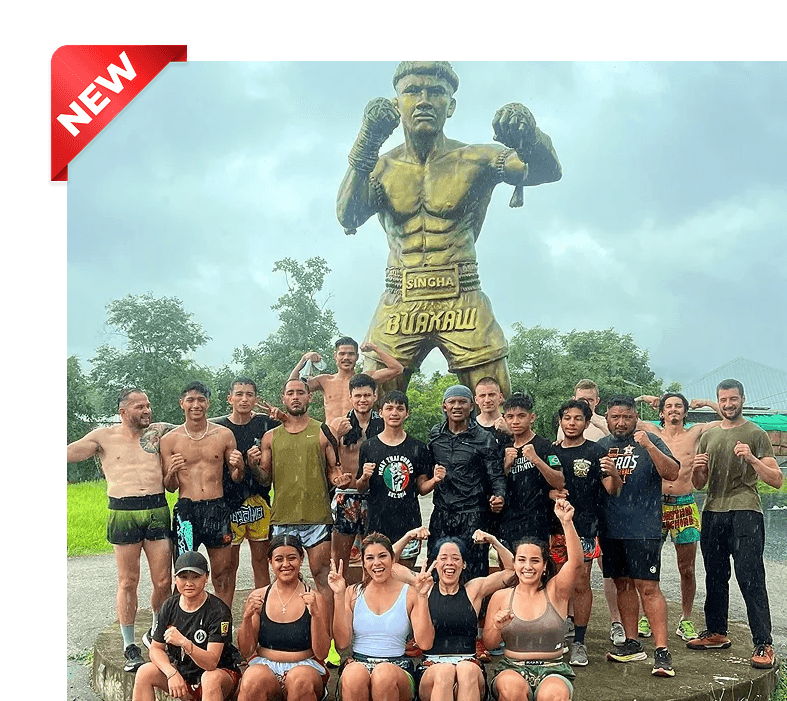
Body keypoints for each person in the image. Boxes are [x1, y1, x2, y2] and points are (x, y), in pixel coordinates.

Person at [338, 61, 562, 396]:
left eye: (436, 92)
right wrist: (367, 142)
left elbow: (545, 171)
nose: (424, 100)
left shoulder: (478, 158)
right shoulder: (380, 167)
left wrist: (530, 136)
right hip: (401, 296)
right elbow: (348, 215)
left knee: (496, 402)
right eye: (413, 91)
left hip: (462, 294)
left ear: (451, 105)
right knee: (368, 400)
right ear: (398, 102)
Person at [67, 388, 174, 672]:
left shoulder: (159, 433)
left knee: (164, 580)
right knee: (128, 581)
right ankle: (129, 646)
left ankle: (156, 633)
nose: (147, 410)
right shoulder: (103, 436)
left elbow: (199, 426)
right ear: (123, 411)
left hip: (156, 508)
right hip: (122, 511)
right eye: (140, 406)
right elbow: (69, 453)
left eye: (148, 405)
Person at [688, 379, 782, 670]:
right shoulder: (709, 435)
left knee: (750, 577)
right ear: (719, 401)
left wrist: (752, 458)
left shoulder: (756, 433)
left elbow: (776, 480)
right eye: (723, 399)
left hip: (746, 511)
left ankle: (764, 643)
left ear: (742, 399)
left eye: (733, 399)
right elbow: (699, 484)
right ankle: (716, 632)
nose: (728, 404)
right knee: (714, 577)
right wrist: (697, 469)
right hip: (713, 510)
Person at [256, 378, 352, 627]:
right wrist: (251, 462)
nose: (296, 397)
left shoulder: (323, 431)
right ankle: (288, 632)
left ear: (310, 397)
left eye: (301, 392)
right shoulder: (270, 437)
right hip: (283, 518)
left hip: (316, 518)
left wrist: (339, 479)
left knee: (322, 577)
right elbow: (264, 479)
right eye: (290, 393)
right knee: (286, 578)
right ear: (284, 398)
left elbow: (333, 469)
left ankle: (328, 637)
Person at [596, 396, 680, 677]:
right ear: (606, 417)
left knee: (648, 586)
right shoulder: (601, 447)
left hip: (643, 527)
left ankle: (661, 651)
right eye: (615, 417)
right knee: (622, 585)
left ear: (636, 417)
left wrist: (648, 445)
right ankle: (632, 643)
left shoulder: (650, 440)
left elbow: (672, 473)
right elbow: (609, 489)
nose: (621, 422)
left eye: (627, 417)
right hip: (611, 528)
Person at [631, 392, 721, 642]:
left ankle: (686, 619)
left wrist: (708, 403)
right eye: (668, 406)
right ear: (661, 412)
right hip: (654, 505)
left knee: (687, 568)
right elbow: (613, 417)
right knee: (648, 564)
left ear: (684, 412)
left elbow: (728, 420)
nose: (673, 410)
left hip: (684, 504)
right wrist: (640, 399)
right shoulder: (650, 431)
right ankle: (646, 616)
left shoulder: (694, 433)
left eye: (678, 406)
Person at [483, 500, 581, 701]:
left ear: (545, 566)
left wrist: (567, 522)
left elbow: (576, 563)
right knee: (511, 690)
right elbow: (489, 643)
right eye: (522, 560)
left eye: (535, 561)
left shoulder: (556, 591)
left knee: (555, 695)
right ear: (514, 563)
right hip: (512, 667)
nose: (528, 566)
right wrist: (497, 626)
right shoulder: (501, 596)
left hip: (553, 669)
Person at [548, 400, 622, 667]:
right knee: (557, 582)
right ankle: (556, 637)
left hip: (586, 528)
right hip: (555, 528)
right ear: (560, 421)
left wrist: (615, 474)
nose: (571, 423)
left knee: (581, 583)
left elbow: (612, 490)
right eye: (566, 417)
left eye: (578, 418)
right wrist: (549, 493)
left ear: (587, 423)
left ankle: (580, 642)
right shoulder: (551, 451)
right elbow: (541, 486)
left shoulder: (596, 451)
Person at [160, 381, 244, 608]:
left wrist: (240, 466)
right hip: (186, 511)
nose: (195, 405)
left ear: (208, 403)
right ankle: (187, 620)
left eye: (201, 400)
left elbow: (236, 478)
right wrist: (171, 472)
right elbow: (170, 486)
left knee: (222, 574)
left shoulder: (224, 435)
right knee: (185, 572)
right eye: (190, 400)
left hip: (217, 508)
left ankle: (222, 626)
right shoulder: (169, 440)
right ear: (181, 404)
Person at [329, 533, 436, 701]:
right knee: (354, 674)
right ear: (363, 563)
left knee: (383, 674)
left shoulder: (410, 593)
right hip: (359, 662)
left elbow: (425, 643)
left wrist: (422, 598)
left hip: (397, 667)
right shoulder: (352, 592)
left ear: (393, 559)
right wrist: (338, 596)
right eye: (370, 558)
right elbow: (342, 644)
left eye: (382, 556)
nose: (376, 563)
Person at [210, 378, 284, 606]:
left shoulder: (265, 424)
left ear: (255, 398)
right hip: (229, 503)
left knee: (261, 560)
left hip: (259, 500)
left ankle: (263, 618)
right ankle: (224, 620)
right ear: (229, 398)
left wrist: (280, 415)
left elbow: (295, 423)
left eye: (249, 394)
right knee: (228, 566)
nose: (244, 399)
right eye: (239, 394)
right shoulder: (218, 428)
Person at [132, 550, 241, 701]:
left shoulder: (219, 611)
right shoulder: (169, 605)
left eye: (196, 577)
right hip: (184, 675)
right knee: (145, 671)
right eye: (183, 577)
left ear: (206, 578)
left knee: (210, 678)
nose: (189, 583)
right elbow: (156, 649)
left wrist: (184, 642)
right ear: (175, 579)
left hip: (220, 675)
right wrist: (171, 673)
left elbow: (211, 663)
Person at [236, 535, 332, 701]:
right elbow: (246, 650)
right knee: (252, 678)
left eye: (292, 558)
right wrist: (246, 618)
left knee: (299, 679)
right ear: (270, 562)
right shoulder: (259, 597)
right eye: (279, 559)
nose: (286, 564)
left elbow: (322, 653)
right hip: (266, 666)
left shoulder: (315, 598)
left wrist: (315, 614)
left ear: (301, 559)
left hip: (305, 667)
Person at [427, 385, 507, 582]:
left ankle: (474, 611)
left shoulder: (484, 438)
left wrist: (499, 496)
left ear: (471, 405)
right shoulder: (435, 435)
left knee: (474, 569)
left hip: (473, 513)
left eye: (462, 402)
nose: (457, 406)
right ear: (444, 406)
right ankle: (436, 609)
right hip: (442, 511)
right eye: (452, 402)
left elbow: (495, 475)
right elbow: (425, 469)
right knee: (437, 564)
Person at [356, 390, 435, 568]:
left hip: (408, 523)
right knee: (374, 577)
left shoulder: (418, 447)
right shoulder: (369, 446)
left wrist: (435, 480)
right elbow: (361, 487)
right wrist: (364, 477)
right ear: (381, 412)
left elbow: (421, 488)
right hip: (377, 523)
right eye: (389, 408)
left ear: (407, 413)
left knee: (404, 579)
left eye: (400, 409)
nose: (394, 413)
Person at [329, 373, 385, 575]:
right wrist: (337, 436)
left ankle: (370, 601)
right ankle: (340, 601)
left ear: (375, 396)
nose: (363, 400)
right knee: (340, 557)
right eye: (358, 395)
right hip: (347, 494)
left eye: (367, 395)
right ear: (350, 397)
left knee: (373, 555)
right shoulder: (339, 423)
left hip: (375, 495)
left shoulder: (384, 423)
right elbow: (324, 455)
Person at [498, 392, 564, 549]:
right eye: (510, 416)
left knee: (535, 570)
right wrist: (506, 466)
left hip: (536, 522)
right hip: (508, 522)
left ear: (532, 417)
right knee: (509, 570)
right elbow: (496, 485)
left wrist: (536, 459)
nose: (515, 421)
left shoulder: (544, 446)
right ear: (505, 419)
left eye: (521, 416)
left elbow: (559, 481)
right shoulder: (504, 448)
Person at [289, 336, 403, 424]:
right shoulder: (324, 380)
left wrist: (375, 348)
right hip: (330, 436)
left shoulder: (366, 379)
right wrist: (304, 359)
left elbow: (397, 369)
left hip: (357, 438)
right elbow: (292, 385)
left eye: (351, 354)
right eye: (342, 354)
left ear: (357, 357)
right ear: (335, 356)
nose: (346, 358)